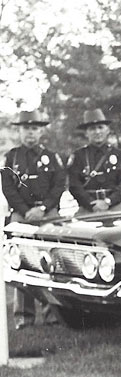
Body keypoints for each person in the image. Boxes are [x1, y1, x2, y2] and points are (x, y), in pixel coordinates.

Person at [3, 110, 64, 329]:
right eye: (26, 129)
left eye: (35, 129)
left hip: (47, 213)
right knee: (21, 262)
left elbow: (59, 184)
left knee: (53, 262)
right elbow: (8, 188)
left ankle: (53, 313)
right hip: (22, 214)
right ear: (19, 131)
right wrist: (26, 210)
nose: (31, 133)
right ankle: (23, 317)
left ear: (41, 131)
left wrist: (44, 207)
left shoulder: (51, 155)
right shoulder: (11, 157)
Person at [67, 108, 121, 213]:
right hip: (88, 207)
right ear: (86, 133)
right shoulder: (78, 156)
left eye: (100, 127)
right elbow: (74, 185)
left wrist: (108, 201)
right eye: (92, 129)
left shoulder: (119, 154)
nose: (97, 132)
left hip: (114, 206)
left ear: (107, 130)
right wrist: (90, 203)